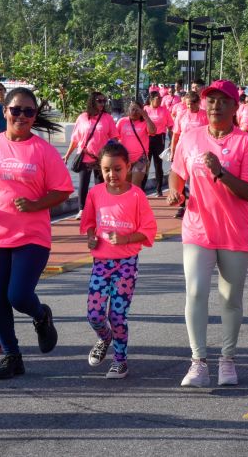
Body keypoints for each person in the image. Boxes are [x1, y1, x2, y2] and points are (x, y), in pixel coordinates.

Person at [0, 87, 74, 380]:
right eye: (16, 110)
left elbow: (63, 190)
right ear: (5, 111)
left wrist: (36, 204)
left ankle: (40, 315)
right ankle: (12, 356)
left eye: (29, 111)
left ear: (35, 116)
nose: (21, 116)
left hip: (31, 235)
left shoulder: (43, 150)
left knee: (18, 295)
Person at [167, 79, 248, 387]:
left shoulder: (245, 143)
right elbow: (177, 172)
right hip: (198, 228)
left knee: (230, 298)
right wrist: (175, 191)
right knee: (195, 292)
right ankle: (198, 362)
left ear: (235, 107)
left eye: (223, 101)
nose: (215, 105)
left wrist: (221, 172)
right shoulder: (191, 137)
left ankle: (227, 360)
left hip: (234, 231)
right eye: (211, 100)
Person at [80, 141, 157, 379]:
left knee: (117, 315)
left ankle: (120, 360)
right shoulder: (95, 193)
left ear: (128, 167)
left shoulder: (136, 195)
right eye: (106, 170)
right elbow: (89, 223)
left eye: (117, 169)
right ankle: (105, 338)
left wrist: (126, 238)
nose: (112, 174)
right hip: (101, 264)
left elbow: (148, 229)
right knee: (94, 315)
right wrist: (91, 237)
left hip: (126, 264)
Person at [63, 91, 119, 220]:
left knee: (100, 185)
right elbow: (75, 138)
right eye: (99, 101)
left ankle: (99, 209)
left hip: (101, 158)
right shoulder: (82, 117)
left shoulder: (107, 118)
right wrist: (67, 155)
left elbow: (115, 137)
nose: (102, 103)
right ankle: (82, 210)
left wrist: (116, 154)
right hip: (85, 155)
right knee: (83, 184)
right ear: (92, 101)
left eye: (104, 101)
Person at [169, 91, 208, 219]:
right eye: (187, 104)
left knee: (195, 180)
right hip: (183, 151)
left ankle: (196, 204)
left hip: (199, 152)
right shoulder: (182, 115)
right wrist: (173, 150)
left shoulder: (204, 115)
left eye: (192, 104)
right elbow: (176, 134)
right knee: (181, 178)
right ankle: (181, 206)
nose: (189, 107)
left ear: (198, 103)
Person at [116, 100, 156, 189]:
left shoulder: (145, 122)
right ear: (128, 110)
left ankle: (136, 197)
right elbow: (114, 137)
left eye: (137, 110)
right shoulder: (122, 121)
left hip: (140, 158)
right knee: (125, 185)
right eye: (132, 109)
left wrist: (146, 116)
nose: (134, 112)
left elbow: (153, 131)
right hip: (125, 158)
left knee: (135, 185)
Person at [144, 90, 172, 196]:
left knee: (158, 164)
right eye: (158, 98)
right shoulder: (145, 109)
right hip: (147, 138)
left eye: (160, 98)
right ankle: (142, 188)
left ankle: (159, 189)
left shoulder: (164, 110)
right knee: (145, 164)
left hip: (159, 138)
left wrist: (171, 140)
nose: (160, 100)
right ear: (151, 99)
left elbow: (170, 126)